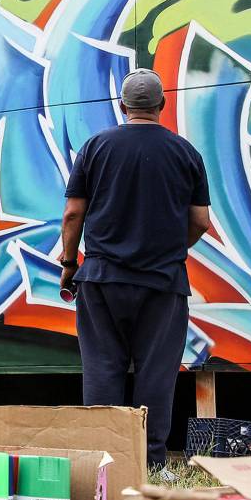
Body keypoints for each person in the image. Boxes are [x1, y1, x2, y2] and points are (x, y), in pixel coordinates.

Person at [58, 69, 211, 468]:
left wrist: (70, 263)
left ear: (122, 105)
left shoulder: (95, 147)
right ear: (162, 104)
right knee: (156, 375)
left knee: (102, 370)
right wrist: (171, 250)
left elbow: (73, 213)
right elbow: (200, 221)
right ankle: (151, 465)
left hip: (102, 280)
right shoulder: (186, 153)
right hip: (163, 282)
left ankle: (103, 464)